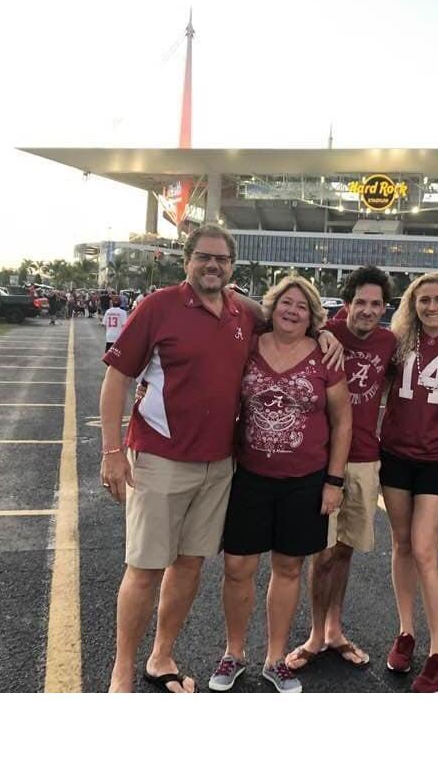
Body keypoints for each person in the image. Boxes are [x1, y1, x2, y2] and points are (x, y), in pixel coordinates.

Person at [100, 225, 343, 693]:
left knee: (189, 565)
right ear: (186, 260)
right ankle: (121, 673)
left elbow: (291, 317)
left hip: (220, 466)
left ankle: (161, 656)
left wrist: (325, 330)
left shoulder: (241, 311)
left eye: (222, 259)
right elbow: (116, 380)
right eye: (203, 257)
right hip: (160, 457)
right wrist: (112, 451)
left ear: (232, 267)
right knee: (145, 567)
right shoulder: (158, 307)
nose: (212, 265)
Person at [209, 276, 351, 693]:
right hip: (250, 476)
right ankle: (234, 653)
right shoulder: (251, 345)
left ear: (313, 316)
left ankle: (275, 658)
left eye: (302, 306)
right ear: (273, 308)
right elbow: (230, 298)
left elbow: (343, 421)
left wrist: (334, 481)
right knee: (237, 567)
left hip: (304, 479)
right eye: (286, 303)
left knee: (288, 568)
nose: (293, 311)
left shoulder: (325, 355)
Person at [285, 266, 395, 672]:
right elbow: (259, 311)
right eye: (360, 303)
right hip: (323, 458)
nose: (367, 311)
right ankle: (315, 634)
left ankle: (334, 629)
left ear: (385, 307)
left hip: (366, 457)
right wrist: (324, 330)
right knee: (323, 552)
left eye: (376, 304)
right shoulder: (322, 333)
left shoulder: (388, 342)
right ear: (346, 304)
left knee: (345, 550)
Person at [379, 272, 438, 693]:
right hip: (396, 453)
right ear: (412, 304)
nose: (432, 307)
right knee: (401, 544)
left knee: (425, 551)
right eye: (424, 301)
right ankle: (406, 630)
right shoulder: (396, 341)